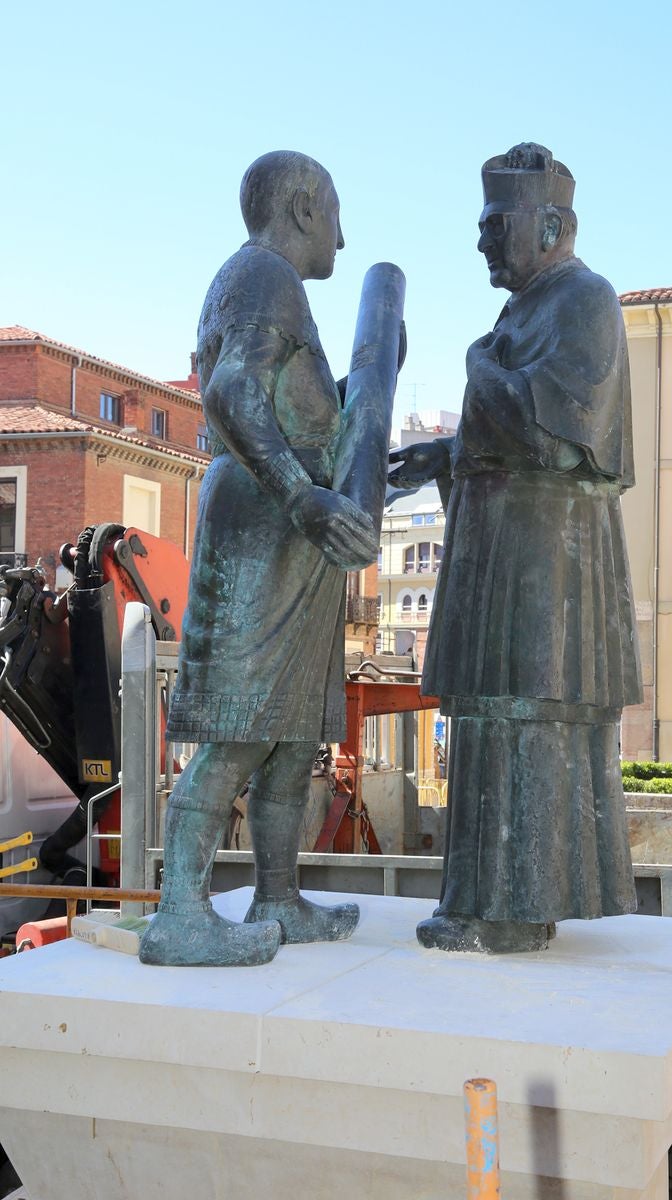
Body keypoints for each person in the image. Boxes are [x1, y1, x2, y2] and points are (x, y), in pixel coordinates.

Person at [389, 142, 642, 954]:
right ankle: (482, 899)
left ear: (553, 222)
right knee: (490, 716)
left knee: (527, 713)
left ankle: (515, 904)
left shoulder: (585, 300)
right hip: (507, 542)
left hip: (550, 560)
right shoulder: (529, 309)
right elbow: (510, 427)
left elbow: (554, 430)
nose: (482, 238)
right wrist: (447, 454)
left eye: (497, 222)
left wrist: (475, 369)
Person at [139, 151, 375, 967]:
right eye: (336, 213)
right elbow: (232, 392)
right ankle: (179, 915)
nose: (344, 237)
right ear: (305, 207)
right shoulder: (264, 277)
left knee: (288, 735)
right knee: (242, 730)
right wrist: (305, 497)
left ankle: (278, 895)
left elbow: (298, 414)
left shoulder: (266, 286)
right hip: (270, 519)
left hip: (289, 527)